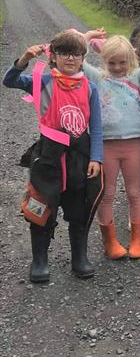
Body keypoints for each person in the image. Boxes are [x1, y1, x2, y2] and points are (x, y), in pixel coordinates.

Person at [4, 30, 103, 282]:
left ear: (83, 57)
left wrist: (96, 157)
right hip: (48, 157)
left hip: (79, 157)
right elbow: (10, 80)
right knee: (42, 205)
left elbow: (98, 127)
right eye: (64, 53)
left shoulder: (90, 88)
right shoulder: (44, 81)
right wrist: (24, 58)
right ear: (53, 56)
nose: (70, 58)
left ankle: (79, 257)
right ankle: (39, 260)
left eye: (76, 54)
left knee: (78, 208)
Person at [83, 31, 140, 260]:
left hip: (133, 145)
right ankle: (110, 241)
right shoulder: (97, 79)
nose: (117, 67)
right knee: (106, 194)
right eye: (111, 62)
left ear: (131, 60)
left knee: (135, 192)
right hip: (105, 145)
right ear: (104, 61)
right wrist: (87, 37)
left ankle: (137, 239)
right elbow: (79, 59)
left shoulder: (138, 79)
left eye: (122, 62)